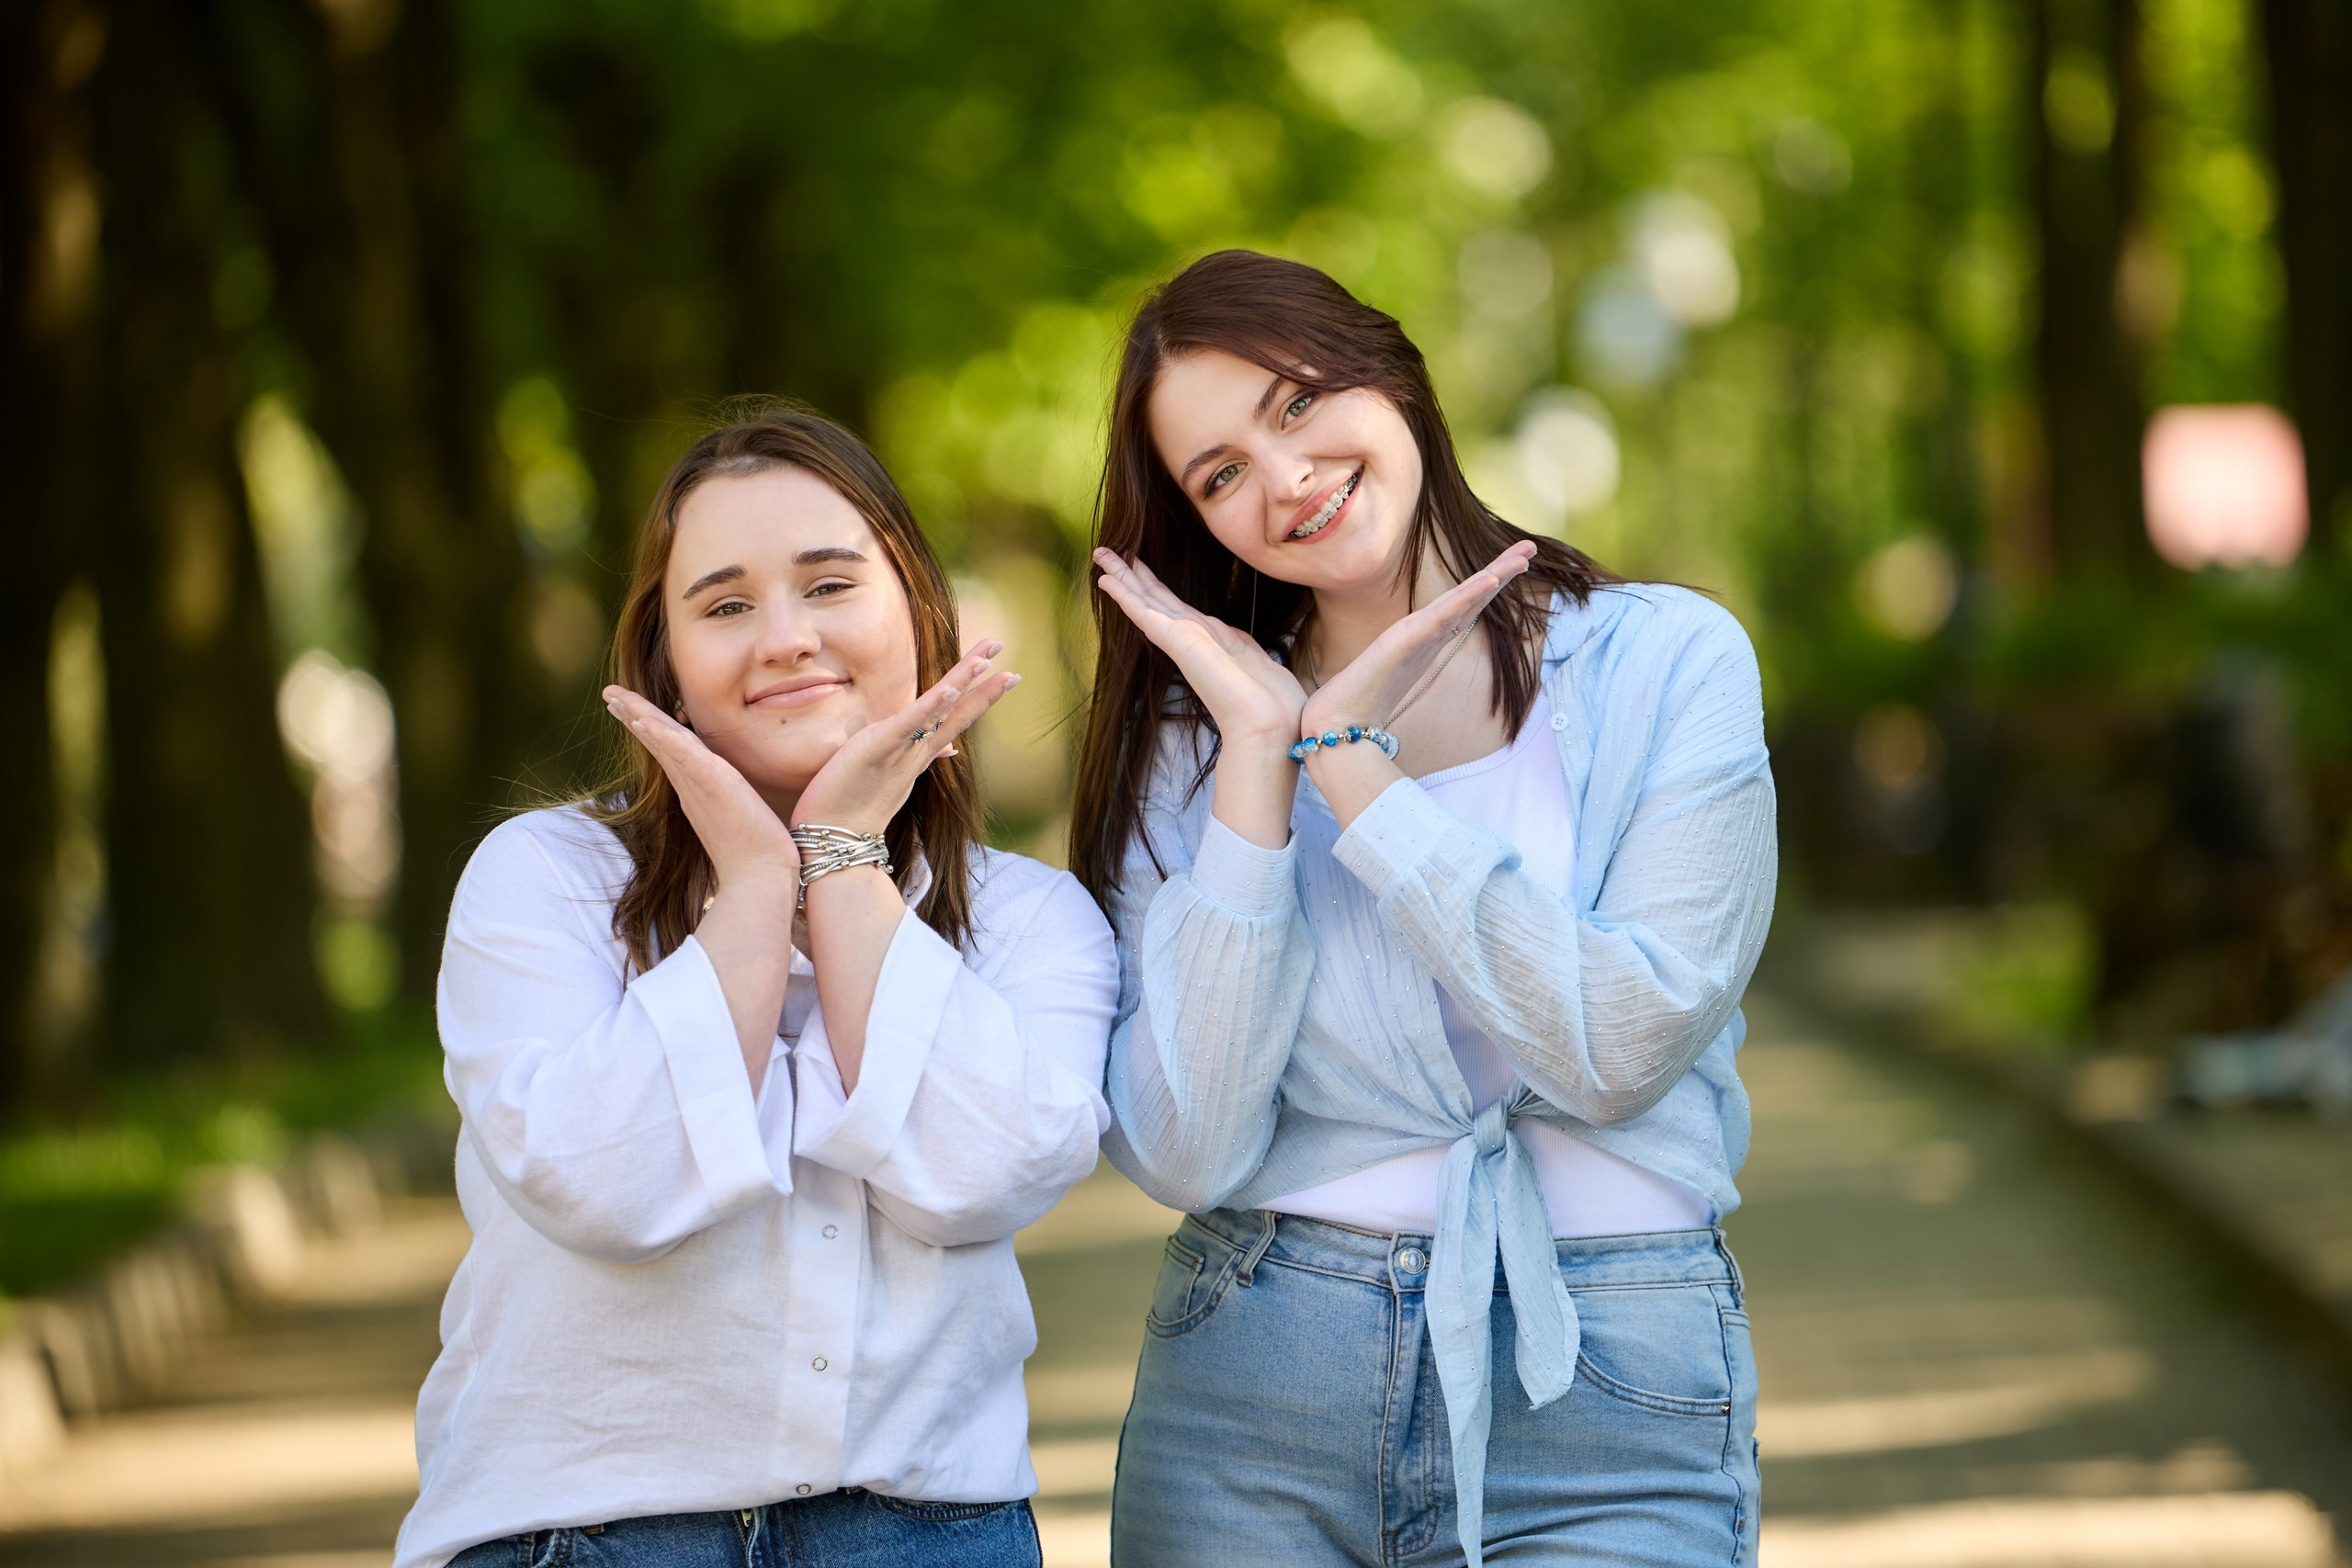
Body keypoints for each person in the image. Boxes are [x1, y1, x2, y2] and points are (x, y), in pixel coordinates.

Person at [1072, 251, 1777, 1567]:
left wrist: (1357, 777)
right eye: (1218, 472)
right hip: (1254, 1394)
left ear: (1389, 371)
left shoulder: (1668, 660)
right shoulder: (1197, 737)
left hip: (1609, 1387)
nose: (1282, 479)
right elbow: (1186, 1147)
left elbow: (1619, 1048)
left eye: (1295, 403)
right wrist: (1258, 775)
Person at [393, 405, 1117, 1568]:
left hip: (922, 1531)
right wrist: (749, 888)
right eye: (725, 606)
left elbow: (977, 1179)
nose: (784, 638)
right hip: (579, 1536)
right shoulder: (542, 882)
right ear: (664, 665)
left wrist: (840, 858)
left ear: (919, 618)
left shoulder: (1033, 920)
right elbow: (603, 1186)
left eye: (830, 585)